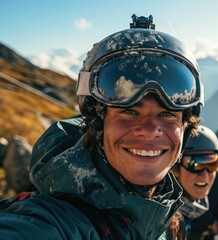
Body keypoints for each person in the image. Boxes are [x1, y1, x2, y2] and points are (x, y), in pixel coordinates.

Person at [0, 14, 204, 239]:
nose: (149, 129)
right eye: (129, 111)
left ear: (185, 128)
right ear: (97, 125)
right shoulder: (54, 222)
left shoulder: (165, 217)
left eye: (167, 114)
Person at [172, 125, 218, 237]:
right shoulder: (163, 219)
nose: (204, 176)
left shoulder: (188, 210)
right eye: (194, 164)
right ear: (175, 169)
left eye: (211, 164)